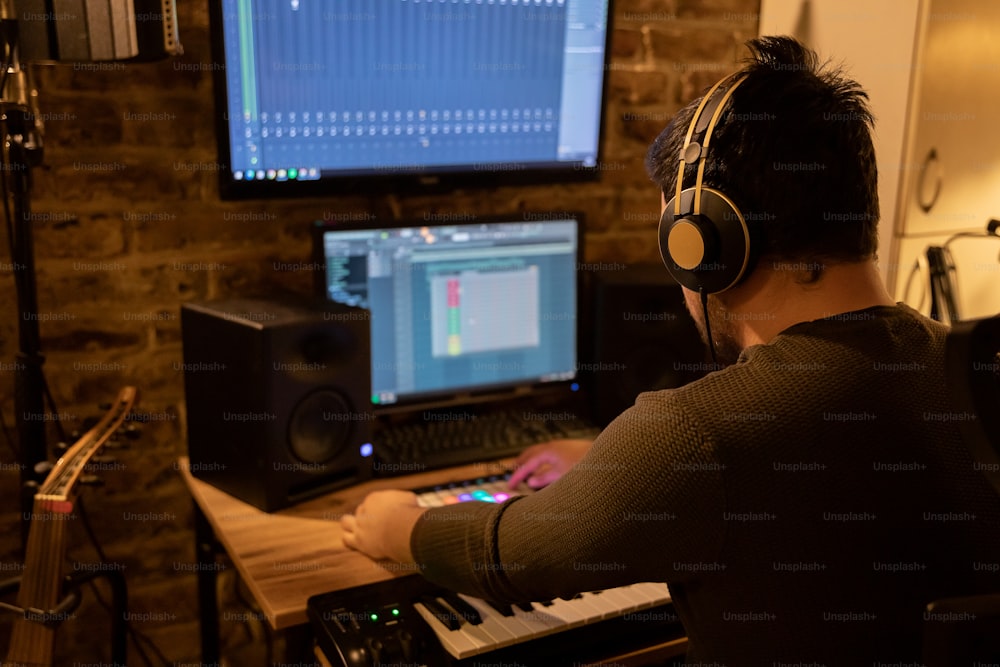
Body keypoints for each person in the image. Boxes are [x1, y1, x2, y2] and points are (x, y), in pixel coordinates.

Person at [340, 36, 1000, 664]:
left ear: (706, 241)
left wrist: (400, 527)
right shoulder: (974, 370)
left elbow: (511, 555)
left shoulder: (693, 433)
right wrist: (607, 462)